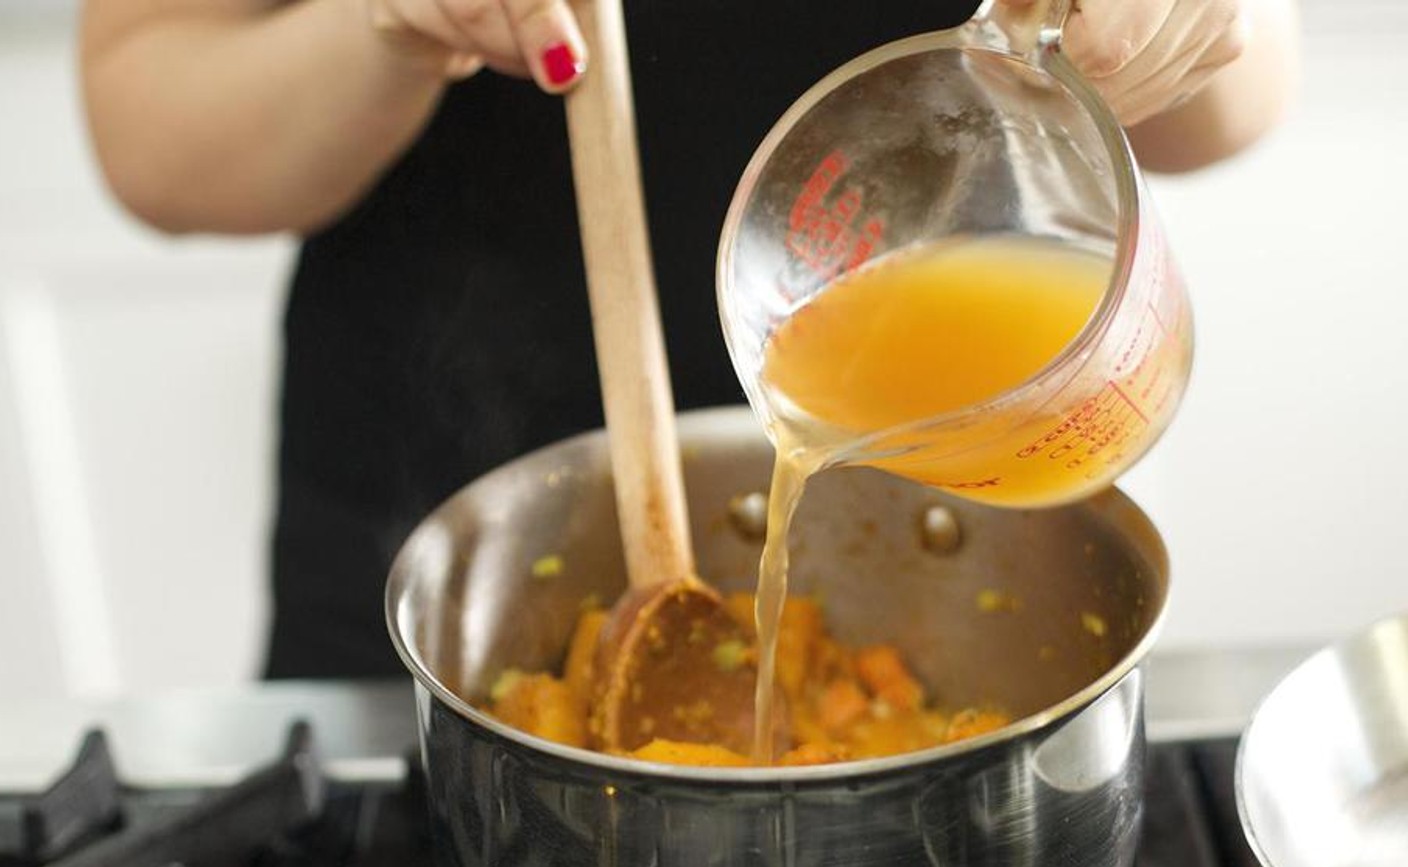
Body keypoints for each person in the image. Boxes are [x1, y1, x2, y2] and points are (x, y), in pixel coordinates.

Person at [78, 0, 1298, 679]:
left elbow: (1242, 95)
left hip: (951, 410)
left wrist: (1171, 24)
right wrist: (387, 27)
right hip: (429, 490)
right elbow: (146, 124)